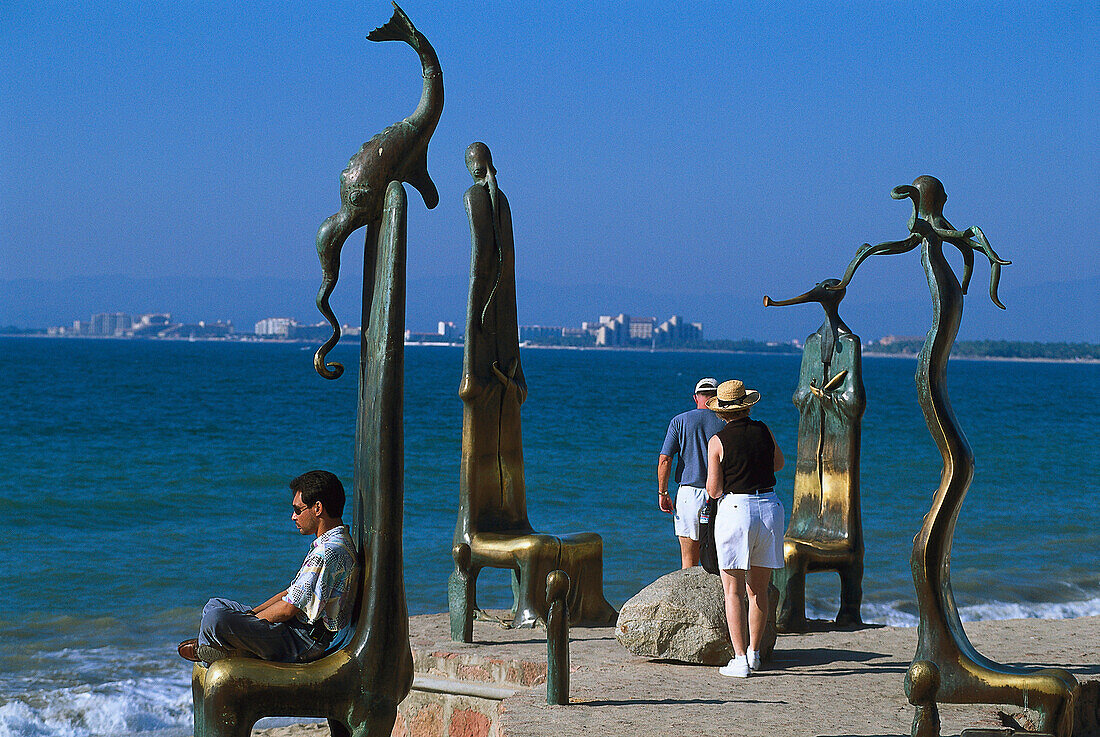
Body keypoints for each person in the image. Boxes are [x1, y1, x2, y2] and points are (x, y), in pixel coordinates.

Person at [177, 470, 358, 664]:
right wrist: (251, 615)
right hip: (294, 630)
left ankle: (214, 653)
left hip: (301, 641)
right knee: (215, 605)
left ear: (318, 508)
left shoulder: (327, 552)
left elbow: (288, 609)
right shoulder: (334, 542)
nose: (293, 517)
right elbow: (290, 593)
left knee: (216, 619)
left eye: (298, 510)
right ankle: (216, 648)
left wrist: (250, 624)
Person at [705, 380, 785, 678]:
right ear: (747, 405)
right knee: (759, 589)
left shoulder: (718, 440)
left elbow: (714, 490)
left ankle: (739, 659)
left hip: (737, 510)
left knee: (733, 590)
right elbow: (779, 463)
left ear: (722, 412)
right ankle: (754, 653)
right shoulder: (764, 429)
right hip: (769, 506)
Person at [658, 377, 726, 568]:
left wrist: (663, 492)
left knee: (688, 561)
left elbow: (665, 459)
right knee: (720, 558)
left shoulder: (679, 421)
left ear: (696, 398)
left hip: (688, 494)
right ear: (718, 397)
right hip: (720, 494)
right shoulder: (726, 421)